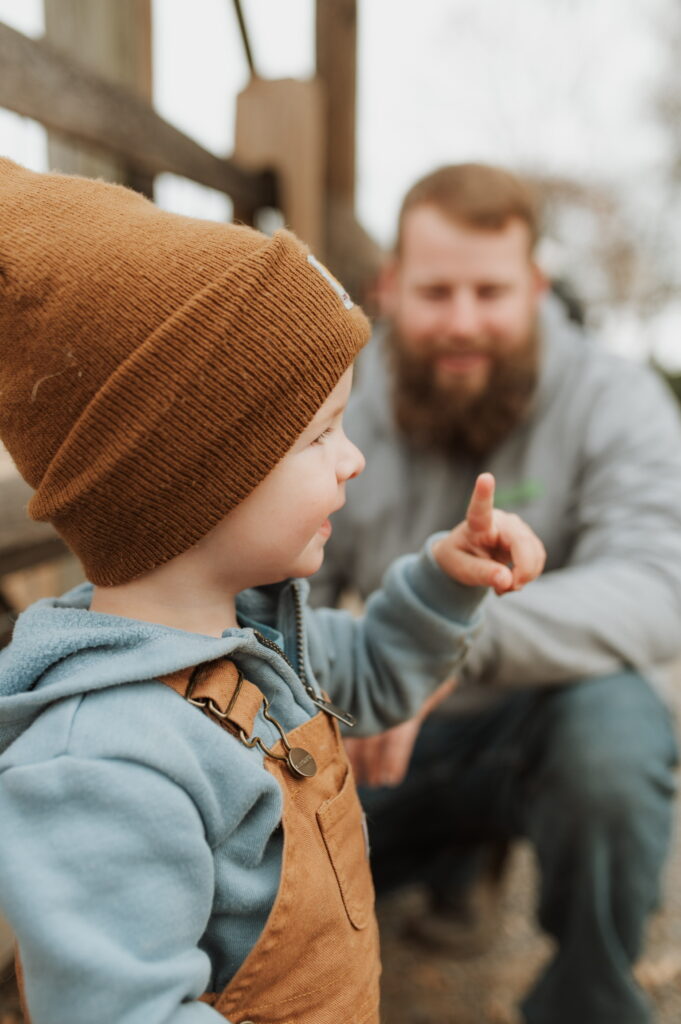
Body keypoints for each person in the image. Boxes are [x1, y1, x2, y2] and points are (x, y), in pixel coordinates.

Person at [0, 159, 545, 1024]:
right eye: (321, 434)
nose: (351, 458)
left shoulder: (253, 642)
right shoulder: (98, 762)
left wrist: (445, 582)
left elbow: (368, 667)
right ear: (193, 481)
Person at [310, 163, 681, 1024]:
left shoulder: (615, 398)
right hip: (387, 732)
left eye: (491, 290)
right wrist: (360, 682)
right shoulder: (342, 409)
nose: (464, 321)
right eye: (438, 292)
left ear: (536, 285)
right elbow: (282, 594)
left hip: (538, 721)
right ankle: (439, 872)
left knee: (616, 729)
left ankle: (588, 996)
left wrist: (446, 642)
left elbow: (661, 583)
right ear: (391, 287)